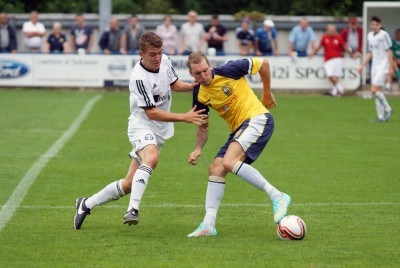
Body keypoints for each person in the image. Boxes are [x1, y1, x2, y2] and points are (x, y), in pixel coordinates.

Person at [73, 32, 208, 230]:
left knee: (129, 184)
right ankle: (133, 210)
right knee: (151, 157)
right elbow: (152, 113)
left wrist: (192, 86)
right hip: (141, 125)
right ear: (141, 54)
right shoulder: (138, 78)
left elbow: (173, 84)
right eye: (153, 54)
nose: (158, 58)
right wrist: (184, 117)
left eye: (160, 53)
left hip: (159, 130)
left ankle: (85, 204)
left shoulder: (165, 62)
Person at [185, 52, 292, 237]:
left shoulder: (229, 70)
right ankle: (208, 225)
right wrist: (197, 148)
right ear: (191, 74)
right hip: (240, 129)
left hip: (258, 118)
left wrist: (266, 93)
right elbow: (202, 124)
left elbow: (263, 64)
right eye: (197, 73)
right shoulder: (199, 94)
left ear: (209, 65)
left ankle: (278, 196)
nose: (203, 75)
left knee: (228, 161)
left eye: (204, 70)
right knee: (216, 168)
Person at [357, 16, 393, 122]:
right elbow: (370, 52)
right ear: (370, 25)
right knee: (378, 91)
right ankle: (381, 117)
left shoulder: (384, 35)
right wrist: (362, 65)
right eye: (373, 24)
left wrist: (390, 68)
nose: (374, 26)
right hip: (374, 65)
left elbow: (389, 52)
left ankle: (388, 109)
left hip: (383, 65)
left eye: (376, 24)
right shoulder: (369, 36)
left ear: (380, 25)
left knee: (373, 91)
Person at [309, 24, 352, 97]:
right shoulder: (324, 37)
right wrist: (313, 52)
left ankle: (334, 92)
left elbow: (345, 47)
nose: (332, 32)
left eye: (333, 30)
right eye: (330, 30)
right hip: (328, 59)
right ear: (327, 30)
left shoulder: (339, 37)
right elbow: (319, 46)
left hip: (338, 59)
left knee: (336, 76)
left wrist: (352, 54)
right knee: (330, 75)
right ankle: (340, 88)